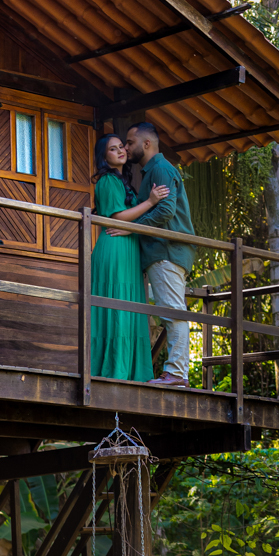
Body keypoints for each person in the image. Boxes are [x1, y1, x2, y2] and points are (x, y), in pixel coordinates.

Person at [90, 134, 169, 383]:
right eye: (112, 150)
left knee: (131, 306)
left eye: (121, 147)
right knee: (117, 306)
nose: (120, 151)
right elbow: (117, 217)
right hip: (114, 248)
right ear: (105, 158)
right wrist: (151, 202)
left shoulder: (123, 181)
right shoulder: (107, 181)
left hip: (128, 249)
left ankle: (133, 371)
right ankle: (115, 370)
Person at [124, 122, 195, 388]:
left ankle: (176, 373)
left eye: (130, 142)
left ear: (146, 144)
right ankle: (174, 371)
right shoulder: (153, 170)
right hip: (160, 251)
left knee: (173, 311)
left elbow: (165, 210)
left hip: (166, 250)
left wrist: (130, 228)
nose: (127, 147)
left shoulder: (161, 169)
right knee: (170, 310)